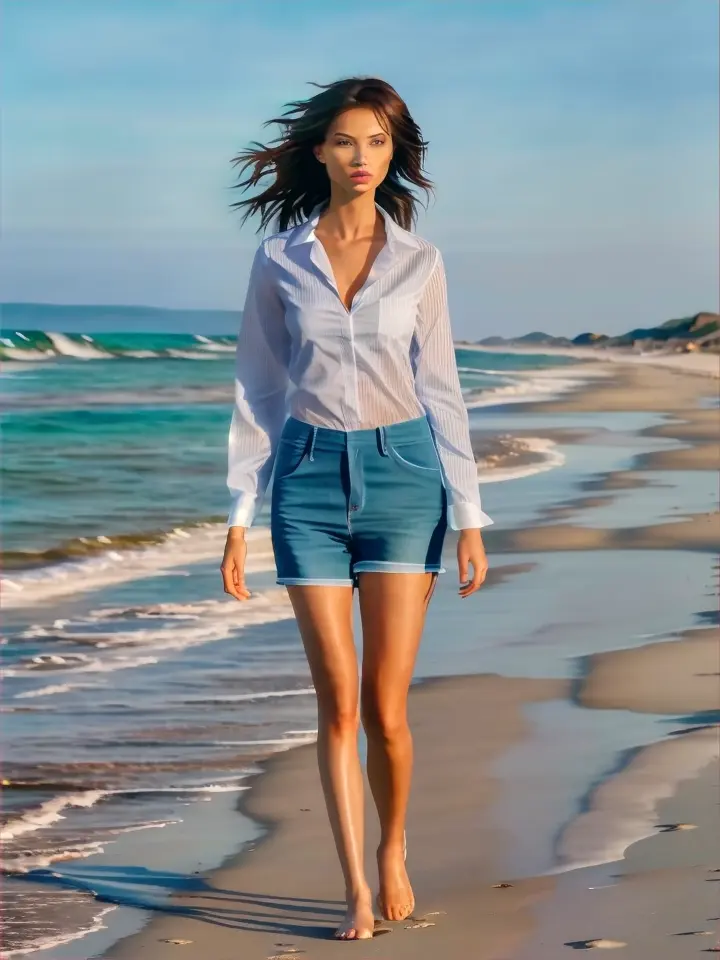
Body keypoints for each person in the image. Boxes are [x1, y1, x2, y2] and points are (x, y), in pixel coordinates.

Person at [220, 76, 493, 941]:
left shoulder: (421, 263)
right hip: (304, 479)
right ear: (319, 152)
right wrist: (238, 514)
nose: (362, 157)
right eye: (346, 141)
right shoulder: (278, 260)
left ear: (393, 153)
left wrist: (472, 513)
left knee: (385, 707)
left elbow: (442, 389)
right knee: (335, 702)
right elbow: (257, 391)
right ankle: (355, 891)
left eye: (377, 142)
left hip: (405, 475)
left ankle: (394, 847)